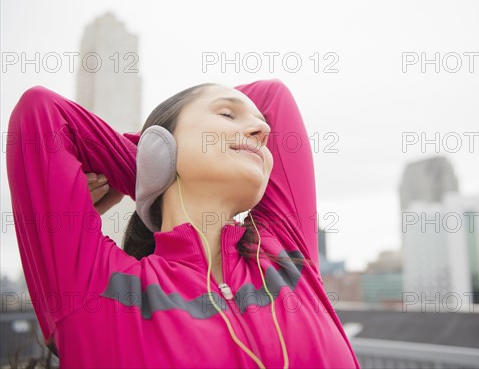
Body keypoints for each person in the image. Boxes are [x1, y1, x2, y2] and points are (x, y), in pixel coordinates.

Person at [6, 79, 361, 368]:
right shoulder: (93, 286)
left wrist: (153, 175)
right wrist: (151, 166)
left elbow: (273, 95)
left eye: (259, 126)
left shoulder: (286, 252)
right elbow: (41, 113)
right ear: (161, 144)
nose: (262, 129)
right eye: (227, 114)